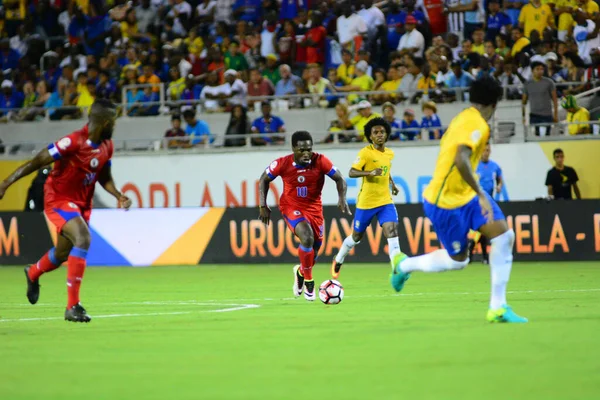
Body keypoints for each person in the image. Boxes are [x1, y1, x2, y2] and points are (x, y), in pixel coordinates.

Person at [390, 76, 528, 324]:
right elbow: (460, 159)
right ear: (495, 103)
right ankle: (404, 265)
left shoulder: (465, 116)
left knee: (504, 236)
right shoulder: (477, 124)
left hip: (467, 196)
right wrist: (480, 193)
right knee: (459, 261)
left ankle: (498, 307)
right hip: (445, 202)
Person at [0, 99, 132, 323]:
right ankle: (72, 306)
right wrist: (5, 183)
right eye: (114, 123)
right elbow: (37, 161)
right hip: (58, 198)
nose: (115, 127)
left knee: (61, 254)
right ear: (104, 122)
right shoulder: (71, 142)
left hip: (82, 203)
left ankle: (32, 273)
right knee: (82, 237)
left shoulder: (107, 146)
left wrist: (118, 194)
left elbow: (103, 175)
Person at [258, 131, 351, 301]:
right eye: (302, 150)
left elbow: (340, 179)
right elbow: (264, 179)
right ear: (294, 148)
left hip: (314, 210)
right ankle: (309, 282)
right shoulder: (282, 163)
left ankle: (301, 272)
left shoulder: (320, 160)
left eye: (309, 149)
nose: (307, 153)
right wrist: (263, 205)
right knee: (306, 238)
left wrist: (342, 198)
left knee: (314, 252)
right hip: (291, 206)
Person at [331, 117, 401, 279]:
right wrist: (369, 173)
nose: (379, 135)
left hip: (385, 202)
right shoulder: (365, 153)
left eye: (382, 132)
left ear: (386, 134)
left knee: (391, 230)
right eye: (375, 132)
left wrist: (392, 184)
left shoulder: (390, 153)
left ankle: (397, 269)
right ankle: (339, 258)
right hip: (367, 203)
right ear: (370, 136)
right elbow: (351, 172)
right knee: (356, 236)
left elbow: (385, 169)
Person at [469, 143, 503, 264]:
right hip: (477, 200)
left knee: (482, 228)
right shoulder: (475, 165)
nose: (486, 152)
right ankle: (477, 252)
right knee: (480, 227)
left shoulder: (495, 166)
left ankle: (475, 252)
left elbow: (500, 179)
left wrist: (499, 186)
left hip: (489, 201)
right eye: (484, 150)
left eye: (488, 150)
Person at [523, 61, 558, 136]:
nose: (540, 71)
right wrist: (523, 116)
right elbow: (523, 102)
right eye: (537, 69)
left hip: (547, 114)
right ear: (532, 71)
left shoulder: (549, 82)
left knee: (547, 136)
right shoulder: (527, 84)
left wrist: (555, 114)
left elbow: (555, 100)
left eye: (542, 69)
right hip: (534, 115)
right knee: (536, 136)